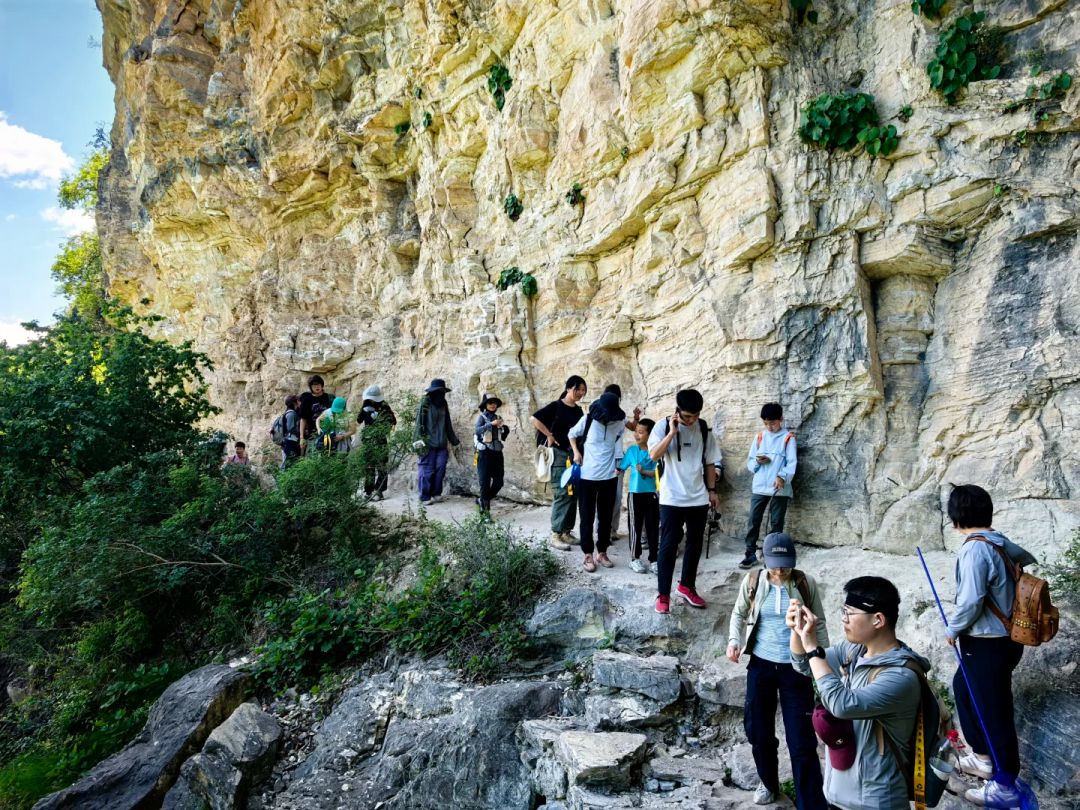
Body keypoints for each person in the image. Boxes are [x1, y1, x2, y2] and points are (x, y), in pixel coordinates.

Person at [789, 576, 930, 810]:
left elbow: (841, 705)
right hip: (837, 796)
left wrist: (813, 648)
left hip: (876, 803)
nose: (843, 619)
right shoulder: (853, 651)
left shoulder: (900, 677)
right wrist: (798, 630)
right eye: (843, 611)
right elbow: (805, 665)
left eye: (849, 613)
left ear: (878, 619)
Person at [944, 484, 1035, 807]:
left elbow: (971, 601)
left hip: (987, 643)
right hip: (1000, 641)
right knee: (964, 690)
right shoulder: (998, 542)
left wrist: (952, 629)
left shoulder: (975, 549)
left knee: (994, 713)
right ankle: (983, 758)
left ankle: (1005, 786)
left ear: (956, 517)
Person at [727, 533, 828, 809]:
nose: (781, 571)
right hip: (761, 665)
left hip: (796, 668)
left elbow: (819, 623)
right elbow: (738, 613)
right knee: (758, 732)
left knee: (801, 741)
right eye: (775, 566)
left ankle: (811, 804)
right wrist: (734, 640)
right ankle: (768, 783)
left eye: (786, 565)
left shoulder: (805, 583)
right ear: (765, 560)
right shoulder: (753, 581)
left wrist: (822, 660)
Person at [648, 389, 721, 614]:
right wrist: (672, 433)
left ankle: (687, 586)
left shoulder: (703, 429)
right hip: (671, 497)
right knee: (668, 545)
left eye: (696, 415)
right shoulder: (662, 426)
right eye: (688, 416)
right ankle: (663, 594)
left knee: (695, 544)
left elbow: (710, 463)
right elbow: (653, 455)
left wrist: (712, 491)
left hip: (698, 496)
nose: (692, 420)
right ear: (677, 410)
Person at [567, 392, 638, 573]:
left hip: (609, 477)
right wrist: (576, 452)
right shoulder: (587, 420)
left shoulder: (618, 422)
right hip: (587, 477)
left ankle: (602, 552)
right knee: (587, 517)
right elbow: (571, 434)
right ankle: (588, 554)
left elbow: (622, 435)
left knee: (605, 518)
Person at [531, 375, 587, 551]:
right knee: (562, 493)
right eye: (578, 389)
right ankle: (556, 534)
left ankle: (566, 532)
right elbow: (534, 418)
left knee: (573, 494)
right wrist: (549, 435)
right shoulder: (556, 406)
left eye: (583, 390)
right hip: (558, 455)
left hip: (573, 456)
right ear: (568, 388)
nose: (580, 393)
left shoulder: (578, 411)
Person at [742, 403, 797, 569]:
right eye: (765, 423)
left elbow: (792, 463)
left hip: (779, 488)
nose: (769, 427)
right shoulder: (760, 437)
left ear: (781, 419)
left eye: (772, 423)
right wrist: (758, 462)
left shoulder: (788, 438)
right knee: (754, 519)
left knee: (776, 522)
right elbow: (750, 462)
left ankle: (773, 556)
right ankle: (750, 553)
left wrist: (782, 477)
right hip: (759, 486)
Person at [621, 418, 659, 574]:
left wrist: (642, 471)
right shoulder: (631, 451)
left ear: (650, 434)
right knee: (635, 526)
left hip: (651, 493)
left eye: (641, 432)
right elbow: (621, 467)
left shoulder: (655, 452)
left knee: (653, 527)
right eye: (636, 431)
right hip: (634, 494)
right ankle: (634, 559)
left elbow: (657, 472)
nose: (636, 435)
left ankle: (654, 560)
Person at [414, 378, 460, 504]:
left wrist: (453, 440)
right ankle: (425, 496)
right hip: (427, 443)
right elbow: (419, 423)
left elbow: (447, 422)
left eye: (443, 391)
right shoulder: (426, 403)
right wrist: (419, 443)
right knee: (426, 469)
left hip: (441, 444)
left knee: (441, 467)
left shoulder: (444, 403)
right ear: (433, 391)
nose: (441, 393)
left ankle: (436, 493)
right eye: (439, 391)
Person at [358, 384, 397, 500]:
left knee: (382, 466)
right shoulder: (366, 405)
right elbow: (359, 420)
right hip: (368, 440)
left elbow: (393, 421)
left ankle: (379, 491)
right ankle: (368, 491)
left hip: (380, 440)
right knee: (369, 466)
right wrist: (365, 411)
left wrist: (379, 418)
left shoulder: (385, 406)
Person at [474, 392, 510, 514]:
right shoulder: (482, 418)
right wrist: (491, 424)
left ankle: (482, 500)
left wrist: (505, 430)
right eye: (490, 402)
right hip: (484, 452)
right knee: (485, 482)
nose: (492, 404)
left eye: (494, 402)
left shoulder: (499, 418)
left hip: (497, 452)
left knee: (499, 482)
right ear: (485, 405)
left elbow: (502, 435)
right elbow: (477, 430)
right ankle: (485, 513)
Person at [604, 384, 627, 543]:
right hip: (604, 460)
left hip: (618, 459)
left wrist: (636, 417)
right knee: (604, 498)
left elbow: (633, 426)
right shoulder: (598, 415)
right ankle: (603, 530)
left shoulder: (621, 416)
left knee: (617, 497)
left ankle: (613, 529)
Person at [299, 375, 334, 456]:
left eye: (318, 384)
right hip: (313, 434)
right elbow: (303, 420)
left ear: (322, 385)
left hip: (329, 432)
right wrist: (302, 437)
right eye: (314, 385)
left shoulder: (329, 398)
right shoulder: (307, 400)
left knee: (330, 455)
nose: (316, 387)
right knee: (314, 456)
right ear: (311, 387)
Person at [280, 395, 302, 468]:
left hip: (288, 440)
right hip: (290, 441)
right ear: (294, 403)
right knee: (289, 463)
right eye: (298, 400)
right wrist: (302, 432)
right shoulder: (291, 413)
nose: (299, 402)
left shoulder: (288, 412)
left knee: (289, 462)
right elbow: (290, 428)